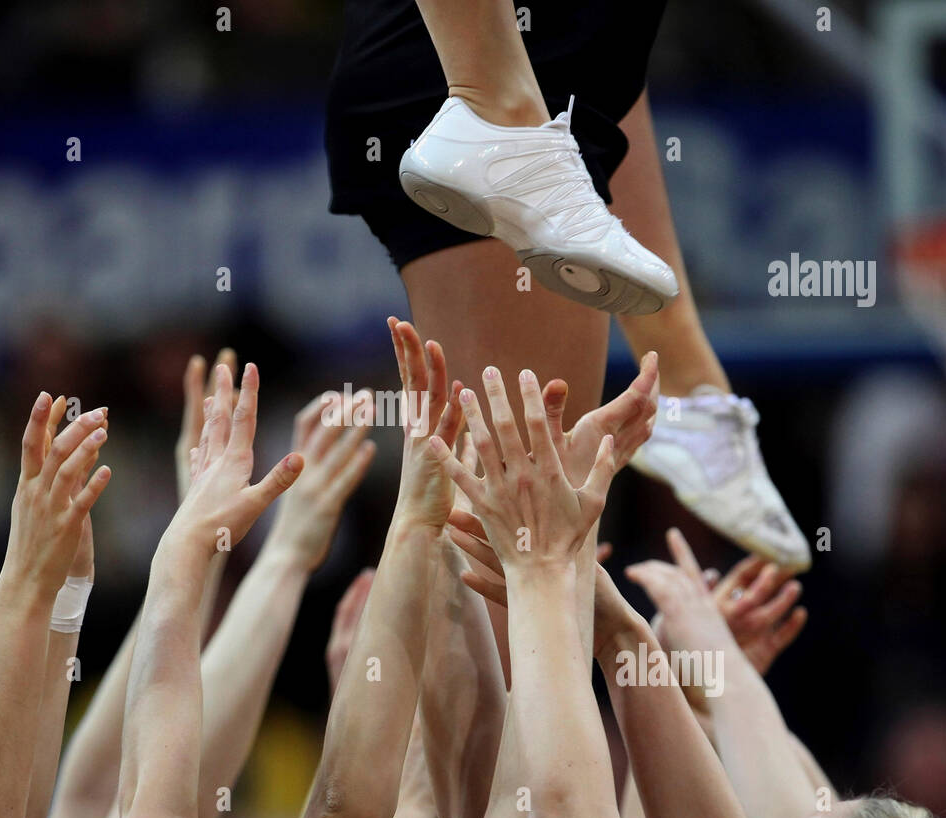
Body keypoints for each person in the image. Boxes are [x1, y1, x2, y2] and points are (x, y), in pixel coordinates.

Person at [326, 0, 810, 569]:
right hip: (468, 92)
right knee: (526, 580)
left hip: (541, 85)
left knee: (536, 565)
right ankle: (495, 112)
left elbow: (606, 84)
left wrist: (676, 352)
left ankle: (685, 383)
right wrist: (492, 96)